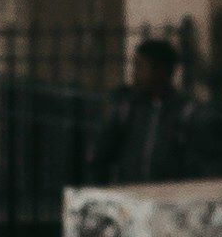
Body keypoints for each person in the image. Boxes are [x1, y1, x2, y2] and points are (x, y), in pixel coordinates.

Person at [82, 32, 211, 191]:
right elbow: (101, 155)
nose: (134, 73)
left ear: (161, 70)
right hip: (130, 195)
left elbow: (196, 164)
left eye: (141, 66)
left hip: (169, 197)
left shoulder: (185, 111)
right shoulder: (127, 107)